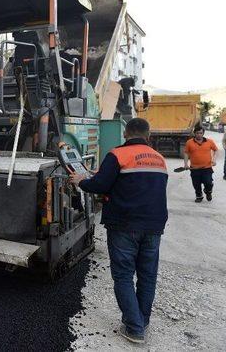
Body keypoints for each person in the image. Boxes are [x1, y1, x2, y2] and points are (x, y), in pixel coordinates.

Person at [69, 118, 168, 344]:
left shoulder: (118, 155)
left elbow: (100, 186)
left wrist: (81, 181)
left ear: (126, 133)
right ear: (148, 135)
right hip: (154, 226)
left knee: (123, 275)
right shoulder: (160, 159)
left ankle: (134, 328)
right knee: (147, 275)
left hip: (125, 225)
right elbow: (141, 185)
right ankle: (142, 319)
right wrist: (104, 173)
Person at [183, 125, 217, 202]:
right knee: (196, 184)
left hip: (207, 168)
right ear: (194, 133)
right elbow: (186, 153)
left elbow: (216, 150)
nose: (199, 134)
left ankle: (208, 192)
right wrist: (185, 164)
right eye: (197, 133)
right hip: (194, 168)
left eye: (201, 133)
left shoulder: (209, 141)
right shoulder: (189, 142)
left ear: (203, 133)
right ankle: (199, 196)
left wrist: (214, 160)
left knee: (208, 183)